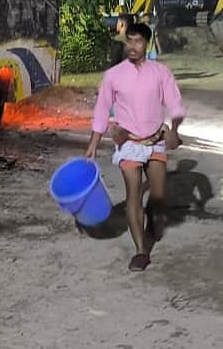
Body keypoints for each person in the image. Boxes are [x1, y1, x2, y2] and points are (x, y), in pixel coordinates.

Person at [86, 22, 185, 273]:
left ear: (147, 44)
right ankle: (141, 251)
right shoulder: (114, 75)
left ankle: (152, 214)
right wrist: (93, 144)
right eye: (129, 41)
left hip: (155, 140)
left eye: (138, 41)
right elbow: (101, 109)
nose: (132, 46)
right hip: (128, 142)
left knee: (159, 197)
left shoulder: (161, 73)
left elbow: (175, 103)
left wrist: (174, 131)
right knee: (133, 195)